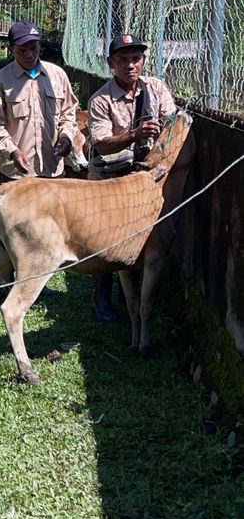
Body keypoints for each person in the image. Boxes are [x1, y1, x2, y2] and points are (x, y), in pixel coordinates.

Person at [86, 32, 177, 322]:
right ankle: (102, 298)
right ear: (111, 64)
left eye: (136, 58)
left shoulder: (156, 88)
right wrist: (133, 135)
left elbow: (173, 123)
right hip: (109, 178)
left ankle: (136, 302)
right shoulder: (101, 100)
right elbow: (101, 144)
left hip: (143, 178)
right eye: (122, 59)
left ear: (143, 61)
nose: (130, 65)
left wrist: (164, 129)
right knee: (104, 240)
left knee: (143, 238)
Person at [0, 19, 79, 180]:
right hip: (16, 174)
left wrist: (66, 137)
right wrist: (12, 151)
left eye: (33, 48)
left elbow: (68, 114)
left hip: (52, 170)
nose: (29, 55)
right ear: (11, 50)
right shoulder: (0, 81)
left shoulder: (58, 76)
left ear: (40, 46)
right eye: (22, 50)